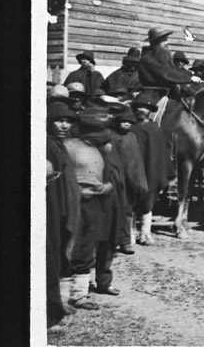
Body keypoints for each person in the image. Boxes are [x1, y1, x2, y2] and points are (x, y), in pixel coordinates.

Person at [64, 112, 120, 303]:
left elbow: (111, 174)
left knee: (89, 244)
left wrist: (108, 186)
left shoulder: (101, 149)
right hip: (74, 202)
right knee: (72, 245)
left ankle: (80, 292)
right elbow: (64, 177)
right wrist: (79, 192)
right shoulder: (70, 147)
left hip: (96, 201)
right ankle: (67, 293)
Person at [47, 101, 83, 324]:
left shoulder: (60, 145)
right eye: (59, 120)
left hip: (63, 208)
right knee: (51, 256)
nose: (64, 125)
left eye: (68, 121)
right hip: (53, 207)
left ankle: (59, 302)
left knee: (60, 253)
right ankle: (51, 308)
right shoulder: (48, 146)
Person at [130, 91, 172, 245]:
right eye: (139, 107)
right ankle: (130, 233)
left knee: (148, 200)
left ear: (150, 111)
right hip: (133, 171)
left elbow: (161, 153)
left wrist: (165, 172)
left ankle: (145, 233)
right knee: (130, 201)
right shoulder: (130, 128)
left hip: (150, 170)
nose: (142, 110)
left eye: (146, 108)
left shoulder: (154, 129)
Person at [110, 107, 149, 254]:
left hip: (130, 180)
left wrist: (139, 180)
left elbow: (136, 160)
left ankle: (125, 242)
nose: (126, 124)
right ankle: (113, 242)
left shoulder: (132, 137)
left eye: (129, 122)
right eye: (123, 121)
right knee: (114, 211)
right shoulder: (112, 136)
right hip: (116, 180)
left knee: (127, 211)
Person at [138, 27, 195, 95]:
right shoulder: (147, 59)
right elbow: (165, 73)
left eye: (166, 39)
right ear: (155, 43)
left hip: (166, 94)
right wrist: (189, 78)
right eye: (164, 40)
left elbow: (173, 71)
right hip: (152, 96)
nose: (167, 43)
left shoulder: (162, 57)